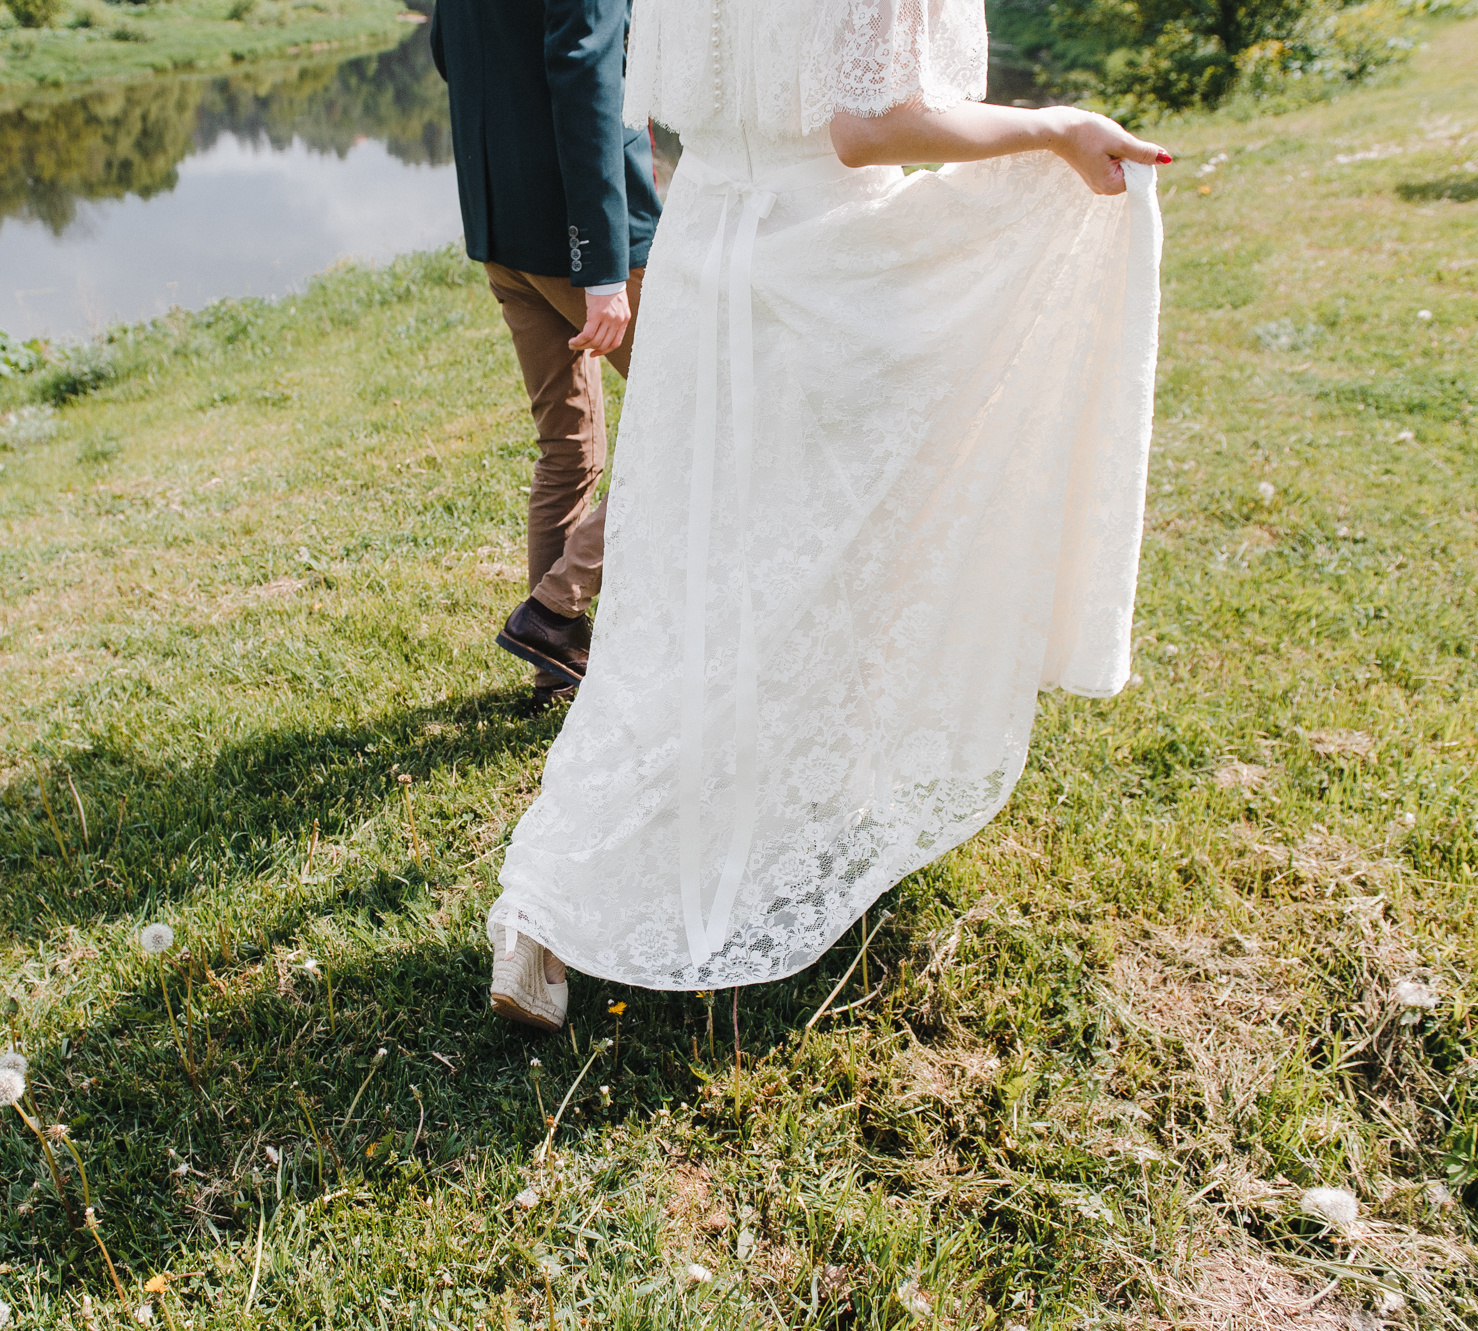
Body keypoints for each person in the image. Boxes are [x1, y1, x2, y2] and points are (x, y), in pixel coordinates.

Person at [487, 0, 1170, 1031]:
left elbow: (675, 112)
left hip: (701, 256)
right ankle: (637, 866)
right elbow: (869, 126)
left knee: (684, 592)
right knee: (820, 561)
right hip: (825, 267)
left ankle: (548, 900)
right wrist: (1053, 127)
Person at [429, 0, 663, 712]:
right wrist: (602, 267)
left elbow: (450, 47)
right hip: (585, 238)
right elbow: (585, 66)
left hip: (502, 221)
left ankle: (555, 672)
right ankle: (556, 608)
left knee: (566, 447)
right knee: (709, 414)